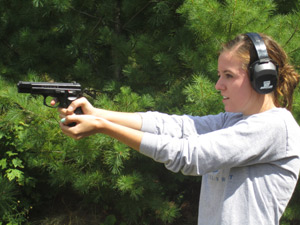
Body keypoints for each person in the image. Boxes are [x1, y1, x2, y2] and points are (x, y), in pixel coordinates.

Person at [57, 33, 300, 225]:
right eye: (219, 75)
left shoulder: (275, 127)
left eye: (228, 76)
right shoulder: (234, 120)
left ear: (262, 77)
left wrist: (103, 127)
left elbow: (190, 156)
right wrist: (97, 113)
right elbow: (177, 126)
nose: (218, 85)